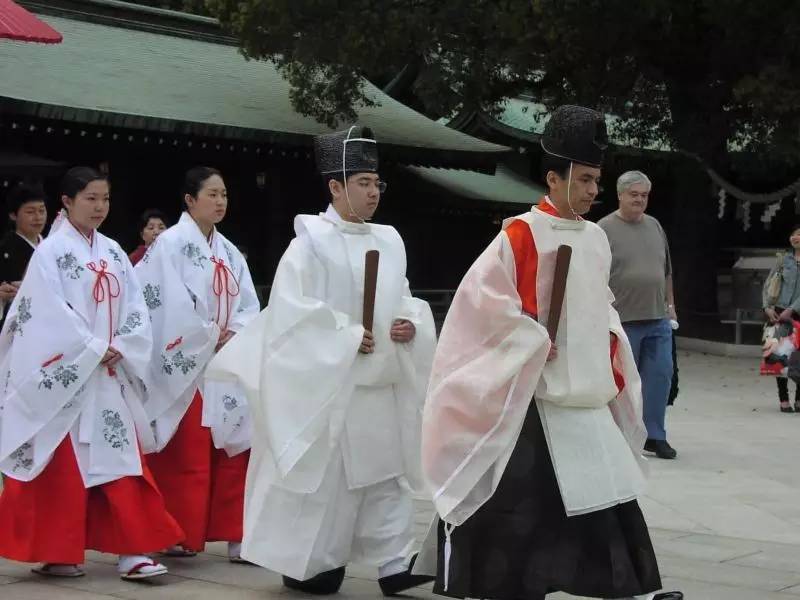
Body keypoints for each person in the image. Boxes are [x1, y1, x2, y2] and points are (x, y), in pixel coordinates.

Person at [417, 106, 681, 600]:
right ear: (554, 178)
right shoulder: (518, 234)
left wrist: (608, 356)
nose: (590, 191)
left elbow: (601, 310)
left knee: (601, 492)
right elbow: (481, 309)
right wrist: (530, 337)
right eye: (582, 180)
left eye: (596, 181)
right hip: (532, 396)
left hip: (582, 391)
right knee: (520, 503)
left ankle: (623, 588)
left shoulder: (597, 238)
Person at [205, 126, 437, 595]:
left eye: (377, 183)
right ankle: (313, 563)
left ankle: (394, 563)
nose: (373, 193)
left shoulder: (390, 240)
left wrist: (410, 323)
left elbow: (406, 297)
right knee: (329, 484)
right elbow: (292, 314)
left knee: (385, 475)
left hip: (380, 383)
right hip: (332, 386)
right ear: (335, 186)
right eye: (363, 183)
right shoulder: (309, 242)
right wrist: (348, 337)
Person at [0, 166, 182, 580]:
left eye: (105, 199)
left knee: (120, 462)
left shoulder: (114, 252)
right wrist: (95, 347)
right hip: (69, 376)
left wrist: (124, 344)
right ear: (66, 201)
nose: (100, 207)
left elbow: (136, 307)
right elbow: (45, 315)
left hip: (106, 374)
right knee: (61, 469)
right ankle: (60, 552)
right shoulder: (49, 253)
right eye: (90, 199)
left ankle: (133, 552)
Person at [134, 167, 260, 562]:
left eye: (224, 194)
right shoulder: (169, 245)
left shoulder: (230, 252)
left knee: (237, 446)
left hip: (223, 361)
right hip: (185, 362)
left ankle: (239, 534)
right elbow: (156, 300)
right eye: (212, 194)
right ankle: (178, 531)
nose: (220, 202)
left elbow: (249, 305)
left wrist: (235, 330)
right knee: (185, 451)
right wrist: (206, 334)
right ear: (189, 201)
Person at [598, 171, 678, 459]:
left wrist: (671, 306)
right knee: (620, 384)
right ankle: (618, 435)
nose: (640, 200)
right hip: (621, 321)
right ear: (620, 195)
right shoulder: (602, 229)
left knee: (660, 378)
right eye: (634, 194)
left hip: (657, 318)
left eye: (644, 195)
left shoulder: (655, 226)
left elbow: (666, 271)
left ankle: (655, 435)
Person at [762, 225, 800, 412]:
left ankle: (799, 398)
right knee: (778, 353)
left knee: (799, 356)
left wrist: (793, 309)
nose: (796, 238)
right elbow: (769, 283)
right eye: (794, 234)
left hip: (797, 313)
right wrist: (767, 307)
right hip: (779, 312)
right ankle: (783, 399)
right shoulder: (783, 260)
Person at [0, 182, 47, 328]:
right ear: (13, 215)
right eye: (30, 212)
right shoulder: (4, 249)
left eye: (42, 210)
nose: (38, 217)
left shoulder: (53, 246)